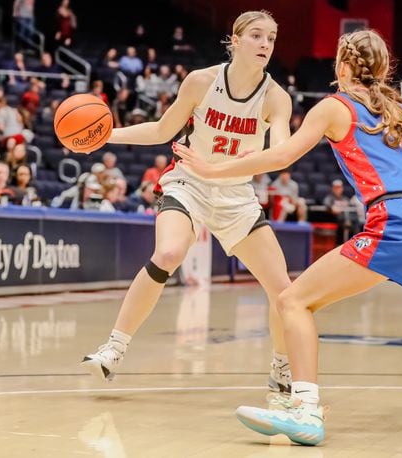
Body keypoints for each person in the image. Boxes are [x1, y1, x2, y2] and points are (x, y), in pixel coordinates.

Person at [175, 29, 402, 445]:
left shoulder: (335, 107)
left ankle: (305, 410)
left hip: (396, 219)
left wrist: (213, 170)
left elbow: (283, 156)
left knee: (292, 300)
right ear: (383, 68)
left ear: (343, 65)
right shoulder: (401, 109)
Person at [80, 11, 295, 400]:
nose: (266, 44)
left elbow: (280, 154)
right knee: (169, 251)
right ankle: (114, 348)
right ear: (235, 39)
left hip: (236, 193)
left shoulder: (276, 98)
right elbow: (163, 130)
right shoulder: (201, 82)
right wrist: (106, 135)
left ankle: (281, 365)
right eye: (258, 36)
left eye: (272, 38)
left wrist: (228, 167)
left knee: (283, 291)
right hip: (189, 182)